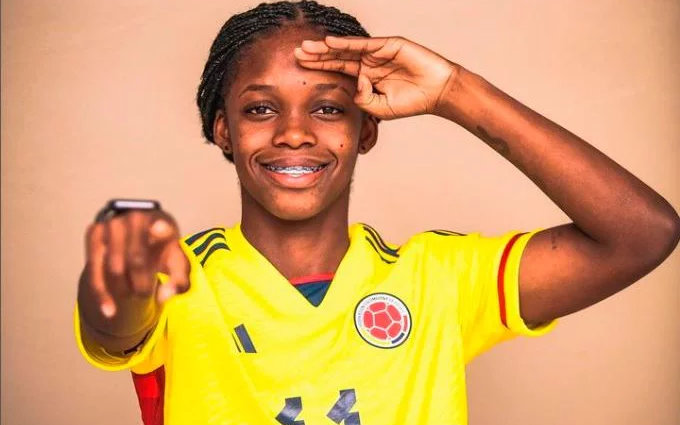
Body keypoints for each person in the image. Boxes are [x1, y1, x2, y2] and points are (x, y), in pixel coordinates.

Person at [74, 1, 680, 424]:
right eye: (260, 109)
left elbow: (642, 234)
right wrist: (120, 287)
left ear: (366, 130)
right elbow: (115, 327)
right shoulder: (178, 276)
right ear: (223, 130)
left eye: (328, 109)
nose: (294, 133)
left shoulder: (437, 279)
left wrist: (454, 92)